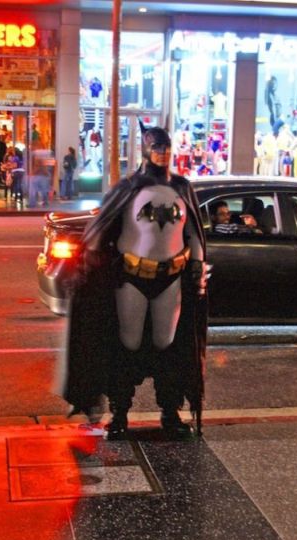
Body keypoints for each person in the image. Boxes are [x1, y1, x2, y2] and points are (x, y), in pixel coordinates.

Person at [63, 121, 208, 440]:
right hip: (131, 278)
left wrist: (197, 264)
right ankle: (120, 415)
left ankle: (170, 412)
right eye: (157, 147)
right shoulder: (128, 188)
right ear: (145, 148)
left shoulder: (182, 187)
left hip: (171, 278)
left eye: (167, 147)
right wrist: (89, 264)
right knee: (126, 345)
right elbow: (101, 230)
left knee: (168, 346)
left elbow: (193, 232)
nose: (163, 153)